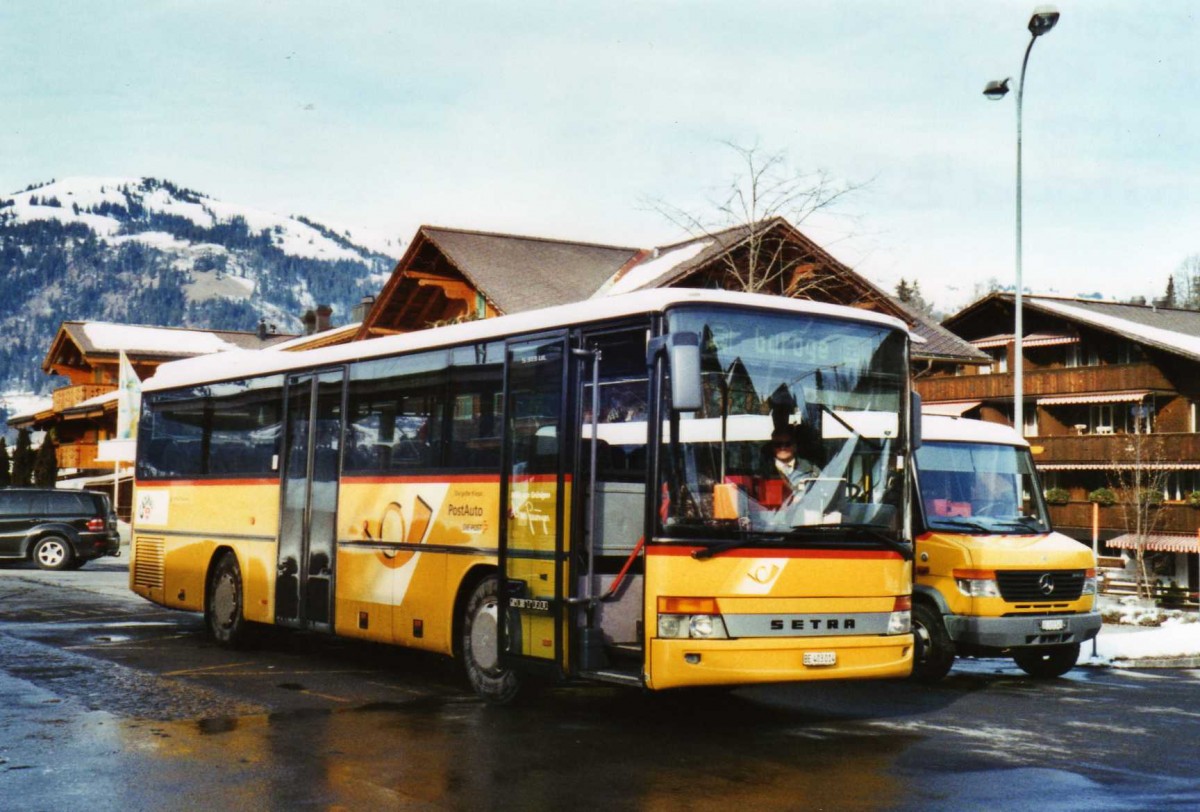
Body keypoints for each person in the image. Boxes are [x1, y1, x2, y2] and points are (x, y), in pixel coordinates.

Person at [767, 426, 820, 493]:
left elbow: (823, 489)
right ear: (772, 447)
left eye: (787, 444)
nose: (782, 448)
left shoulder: (811, 469)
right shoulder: (763, 471)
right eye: (778, 444)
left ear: (795, 446)